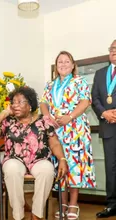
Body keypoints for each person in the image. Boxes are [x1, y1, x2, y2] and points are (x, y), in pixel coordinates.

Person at [0, 86, 68, 220]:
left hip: (39, 160)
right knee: (11, 169)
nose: (15, 105)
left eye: (20, 102)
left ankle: (36, 215)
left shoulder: (44, 121)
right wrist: (5, 112)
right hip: (14, 159)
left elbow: (55, 143)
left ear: (30, 105)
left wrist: (62, 159)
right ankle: (18, 216)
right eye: (13, 102)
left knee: (47, 170)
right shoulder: (9, 122)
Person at [40, 51, 96, 219]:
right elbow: (43, 103)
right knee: (59, 165)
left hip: (75, 128)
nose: (63, 64)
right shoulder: (50, 85)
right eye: (59, 62)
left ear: (73, 65)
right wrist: (47, 117)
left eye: (66, 62)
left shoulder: (80, 81)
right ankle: (62, 203)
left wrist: (69, 117)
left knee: (75, 166)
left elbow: (85, 101)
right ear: (56, 67)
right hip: (56, 131)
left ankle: (73, 204)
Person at [92, 40, 116, 218]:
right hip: (108, 126)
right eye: (112, 49)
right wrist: (104, 114)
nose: (114, 51)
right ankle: (112, 205)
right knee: (111, 167)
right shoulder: (100, 74)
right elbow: (95, 99)